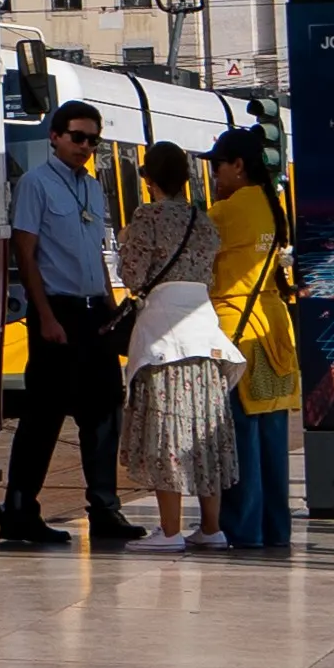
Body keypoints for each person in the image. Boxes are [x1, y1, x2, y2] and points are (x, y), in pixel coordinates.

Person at [3, 99, 138, 547]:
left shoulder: (94, 188)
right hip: (56, 311)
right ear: (55, 137)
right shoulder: (35, 185)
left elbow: (97, 249)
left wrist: (107, 301)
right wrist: (43, 316)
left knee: (104, 413)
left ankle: (105, 509)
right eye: (77, 137)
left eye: (92, 140)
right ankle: (21, 510)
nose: (84, 146)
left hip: (92, 311)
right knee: (43, 416)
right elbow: (25, 253)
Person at [114, 142, 234, 551]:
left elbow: (132, 277)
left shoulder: (147, 216)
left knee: (168, 429)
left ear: (148, 178)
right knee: (204, 428)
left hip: (165, 335)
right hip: (204, 331)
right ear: (186, 178)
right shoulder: (205, 220)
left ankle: (169, 532)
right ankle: (212, 528)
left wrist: (127, 242)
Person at [206, 132, 301, 553]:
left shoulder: (223, 212)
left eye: (218, 166)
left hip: (236, 333)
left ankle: (244, 529)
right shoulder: (271, 203)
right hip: (274, 330)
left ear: (237, 166)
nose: (214, 174)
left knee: (240, 438)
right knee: (272, 438)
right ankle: (277, 528)